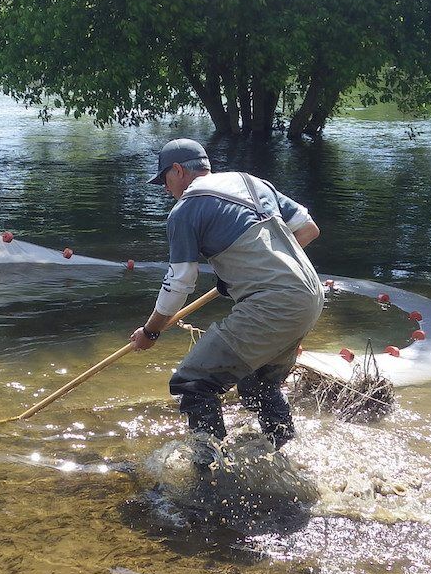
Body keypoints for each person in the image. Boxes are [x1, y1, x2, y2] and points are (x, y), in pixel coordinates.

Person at [129, 138, 323, 449]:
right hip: (310, 295)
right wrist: (250, 272)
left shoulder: (185, 210)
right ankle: (285, 454)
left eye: (165, 179)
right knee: (257, 384)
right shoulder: (252, 182)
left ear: (177, 170)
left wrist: (151, 332)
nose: (166, 190)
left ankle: (209, 477)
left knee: (193, 382)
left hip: (274, 305)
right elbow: (308, 228)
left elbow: (180, 281)